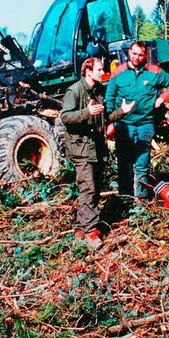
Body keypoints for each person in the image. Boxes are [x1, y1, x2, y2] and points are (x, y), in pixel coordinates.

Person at [105, 41, 169, 199]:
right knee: (124, 163)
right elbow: (109, 99)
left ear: (145, 55)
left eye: (140, 54)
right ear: (129, 53)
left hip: (145, 125)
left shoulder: (153, 71)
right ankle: (125, 198)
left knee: (142, 163)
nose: (136, 57)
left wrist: (162, 98)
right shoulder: (118, 72)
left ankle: (142, 198)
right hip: (124, 125)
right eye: (134, 53)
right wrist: (110, 122)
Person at [59, 57, 109, 249]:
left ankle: (80, 228)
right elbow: (65, 117)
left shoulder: (98, 91)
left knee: (94, 187)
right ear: (88, 71)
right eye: (99, 69)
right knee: (88, 188)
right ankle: (91, 232)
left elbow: (105, 116)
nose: (102, 72)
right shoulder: (75, 91)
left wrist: (122, 110)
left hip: (95, 148)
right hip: (81, 149)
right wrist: (87, 112)